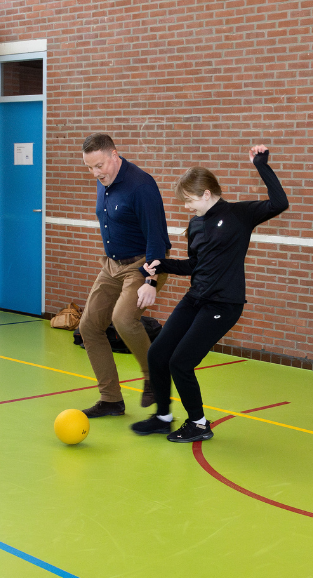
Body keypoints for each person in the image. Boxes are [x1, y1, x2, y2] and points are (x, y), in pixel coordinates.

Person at [131, 145, 289, 442]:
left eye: (189, 200)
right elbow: (195, 265)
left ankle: (199, 424)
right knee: (158, 353)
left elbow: (280, 202)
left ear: (206, 194)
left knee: (181, 362)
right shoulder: (196, 224)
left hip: (224, 303)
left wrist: (261, 165)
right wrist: (161, 264)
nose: (187, 207)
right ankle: (163, 416)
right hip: (196, 298)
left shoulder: (239, 214)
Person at [79, 134, 172, 418]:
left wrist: (150, 281)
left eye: (99, 166)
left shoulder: (141, 186)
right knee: (89, 327)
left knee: (122, 318)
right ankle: (111, 400)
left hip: (144, 263)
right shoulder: (104, 183)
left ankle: (154, 379)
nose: (95, 173)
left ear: (114, 155)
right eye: (90, 168)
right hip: (112, 265)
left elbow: (156, 239)